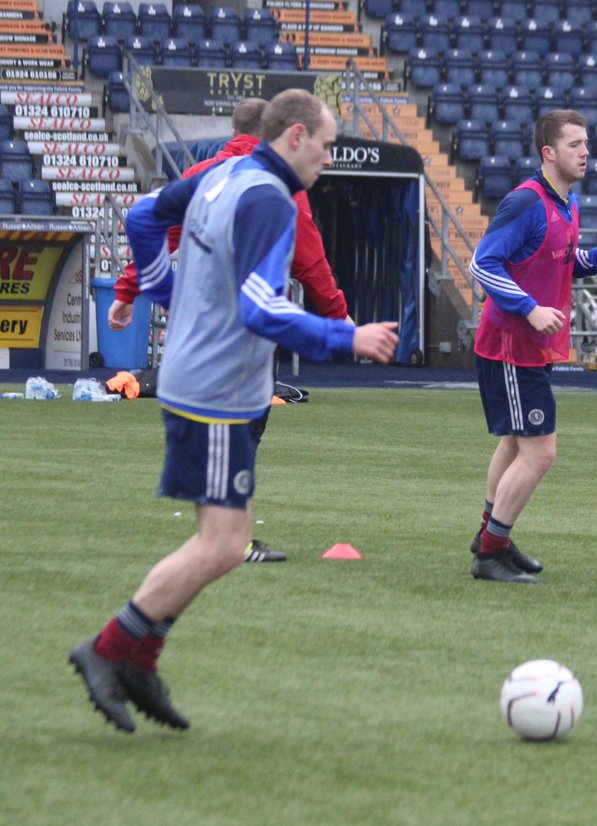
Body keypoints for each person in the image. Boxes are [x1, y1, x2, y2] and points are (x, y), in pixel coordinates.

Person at [69, 89, 399, 733]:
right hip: (217, 388)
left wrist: (171, 290)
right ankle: (109, 650)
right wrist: (345, 337)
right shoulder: (269, 200)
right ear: (297, 137)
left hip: (207, 379)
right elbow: (261, 308)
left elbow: (141, 217)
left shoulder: (224, 172)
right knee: (222, 545)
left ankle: (140, 657)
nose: (330, 160)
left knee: (220, 543)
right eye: (328, 146)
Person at [108, 96, 353, 564]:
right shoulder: (276, 189)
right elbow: (309, 259)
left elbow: (152, 224)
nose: (325, 158)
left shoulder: (208, 172)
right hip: (239, 343)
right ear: (281, 134)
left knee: (224, 439)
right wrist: (340, 322)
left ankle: (223, 536)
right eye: (323, 146)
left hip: (193, 347)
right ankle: (229, 540)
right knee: (243, 431)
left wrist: (137, 289)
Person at [468, 109, 597, 584]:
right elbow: (483, 264)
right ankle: (491, 551)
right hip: (511, 345)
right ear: (548, 153)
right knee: (540, 453)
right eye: (575, 144)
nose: (586, 152)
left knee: (516, 445)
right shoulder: (525, 202)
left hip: (531, 346)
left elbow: (555, 259)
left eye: (586, 143)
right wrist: (529, 307)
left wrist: (595, 258)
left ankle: (489, 537)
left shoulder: (567, 203)